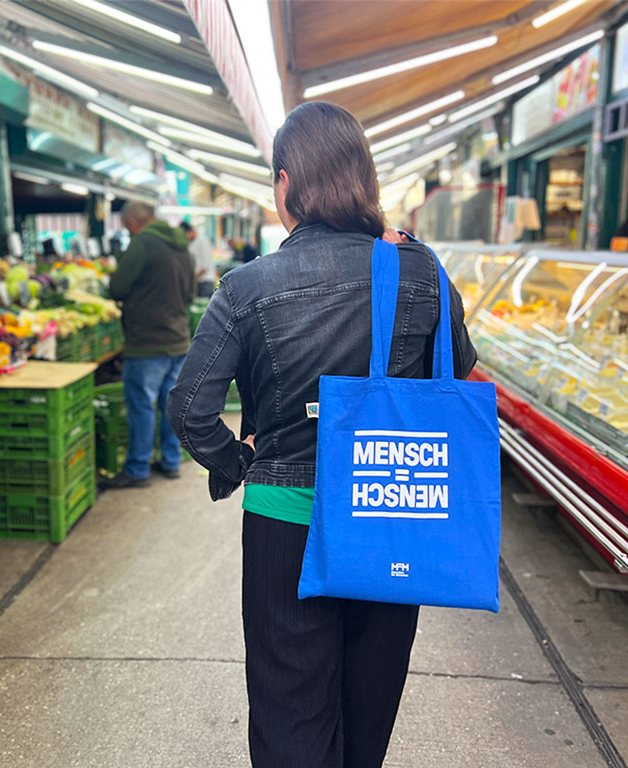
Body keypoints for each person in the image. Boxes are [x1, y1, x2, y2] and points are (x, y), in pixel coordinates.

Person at [168, 102, 477, 768]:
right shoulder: (420, 272)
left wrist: (237, 461)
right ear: (363, 180)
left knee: (289, 709)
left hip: (285, 523)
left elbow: (191, 409)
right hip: (393, 511)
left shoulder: (248, 286)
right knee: (369, 708)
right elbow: (460, 377)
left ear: (286, 184)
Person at [105, 201, 194, 488]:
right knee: (170, 405)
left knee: (141, 407)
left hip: (147, 343)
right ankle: (170, 461)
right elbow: (190, 293)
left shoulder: (142, 244)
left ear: (132, 223)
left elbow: (117, 287)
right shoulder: (183, 246)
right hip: (178, 339)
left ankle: (137, 468)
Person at [179, 221, 218, 298]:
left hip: (205, 282)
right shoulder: (191, 243)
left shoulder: (202, 241)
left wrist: (191, 279)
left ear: (190, 231)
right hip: (198, 282)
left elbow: (205, 266)